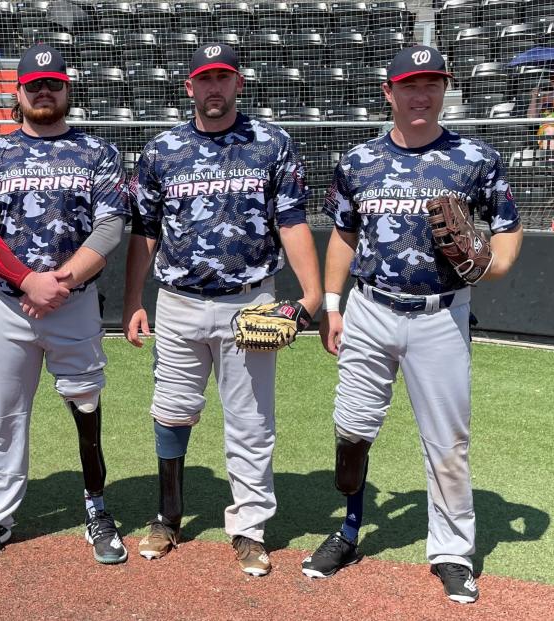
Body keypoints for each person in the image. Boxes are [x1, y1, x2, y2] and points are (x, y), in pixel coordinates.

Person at [301, 46, 522, 605]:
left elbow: (508, 226)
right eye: (409, 85)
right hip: (369, 309)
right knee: (351, 431)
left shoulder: (476, 157)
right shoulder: (358, 161)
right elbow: (345, 237)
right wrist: (332, 306)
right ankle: (350, 530)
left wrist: (493, 265)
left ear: (444, 89)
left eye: (432, 84)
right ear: (388, 92)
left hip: (441, 315)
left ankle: (451, 551)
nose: (421, 95)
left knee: (448, 441)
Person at [122, 43, 322, 576]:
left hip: (251, 302)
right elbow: (144, 231)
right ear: (189, 87)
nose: (215, 88)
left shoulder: (271, 141)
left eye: (224, 78)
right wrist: (133, 303)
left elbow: (293, 219)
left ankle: (250, 527)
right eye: (204, 79)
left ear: (238, 83)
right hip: (179, 302)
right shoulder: (162, 149)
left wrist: (313, 293)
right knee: (171, 410)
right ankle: (168, 514)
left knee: (252, 422)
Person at [0, 43, 130, 565]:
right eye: (35, 85)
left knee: (86, 410)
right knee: (4, 415)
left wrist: (60, 280)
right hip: (9, 304)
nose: (44, 91)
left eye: (53, 83)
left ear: (67, 90)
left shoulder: (97, 152)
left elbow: (110, 225)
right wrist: (29, 280)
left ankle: (97, 508)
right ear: (18, 92)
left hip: (72, 302)